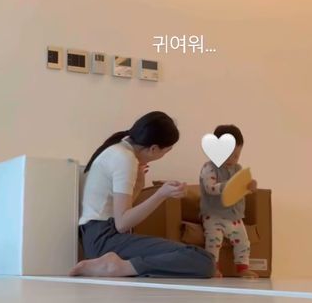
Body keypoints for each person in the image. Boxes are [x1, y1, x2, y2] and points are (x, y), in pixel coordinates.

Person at [69, 111, 215, 278]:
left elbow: (120, 215)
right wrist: (161, 194)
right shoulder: (125, 158)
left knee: (200, 259)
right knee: (203, 260)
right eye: (166, 151)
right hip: (105, 239)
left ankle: (120, 266)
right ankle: (119, 267)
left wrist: (138, 185)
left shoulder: (117, 150)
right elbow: (122, 223)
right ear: (153, 149)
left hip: (97, 238)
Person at [199, 124, 258, 278]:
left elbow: (241, 188)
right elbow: (210, 188)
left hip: (234, 215)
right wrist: (228, 185)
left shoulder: (238, 169)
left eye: (236, 156)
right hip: (214, 214)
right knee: (214, 240)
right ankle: (212, 267)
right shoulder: (209, 168)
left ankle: (242, 267)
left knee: (243, 242)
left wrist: (250, 187)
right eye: (228, 155)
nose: (232, 160)